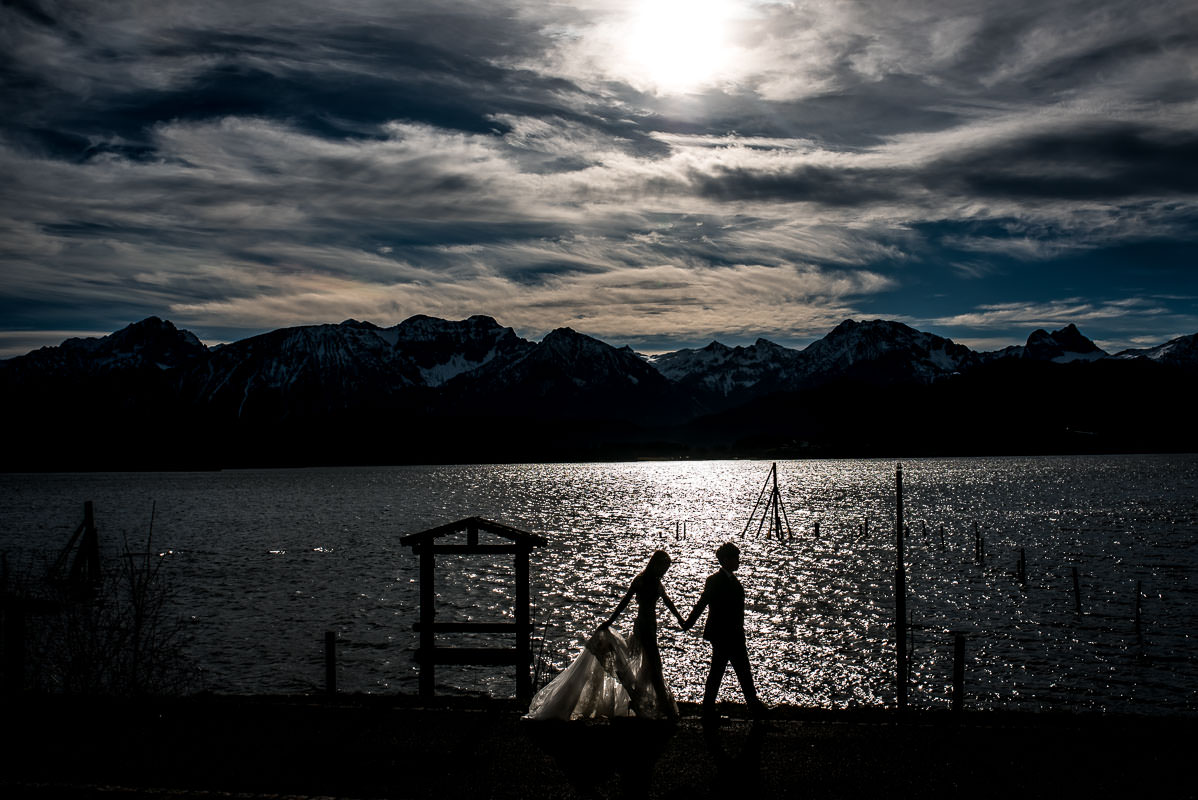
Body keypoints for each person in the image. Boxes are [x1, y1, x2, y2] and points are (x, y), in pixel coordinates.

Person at [525, 549, 685, 721]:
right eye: (663, 568)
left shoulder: (656, 583)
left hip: (650, 627)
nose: (664, 572)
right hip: (644, 627)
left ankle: (645, 703)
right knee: (653, 666)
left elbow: (668, 602)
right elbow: (624, 602)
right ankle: (655, 706)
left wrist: (681, 620)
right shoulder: (641, 581)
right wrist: (609, 622)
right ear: (656, 566)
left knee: (650, 667)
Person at [684, 542, 767, 719]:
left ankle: (750, 705)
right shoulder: (715, 581)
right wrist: (688, 623)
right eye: (736, 558)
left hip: (734, 634)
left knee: (737, 671)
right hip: (722, 635)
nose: (739, 561)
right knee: (724, 672)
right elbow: (702, 603)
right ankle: (716, 708)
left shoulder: (732, 581)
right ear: (726, 560)